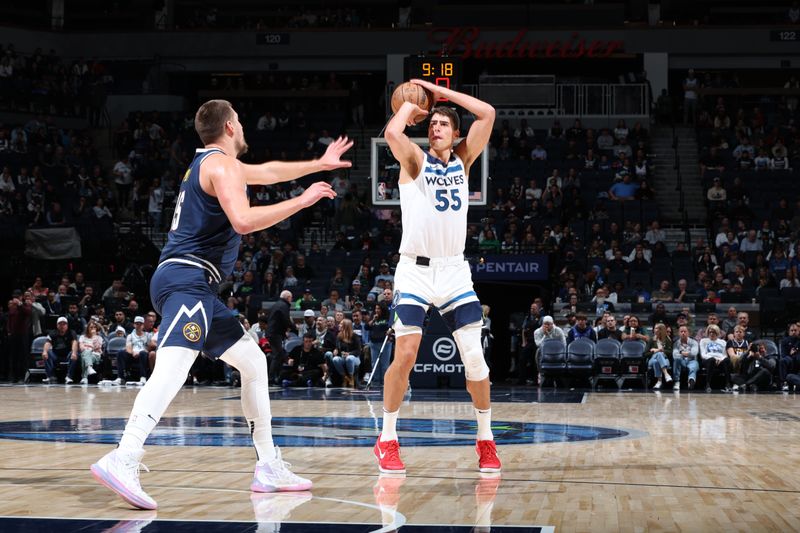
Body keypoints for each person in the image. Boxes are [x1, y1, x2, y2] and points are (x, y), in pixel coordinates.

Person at [90, 99, 352, 509]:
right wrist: (302, 202)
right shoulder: (220, 165)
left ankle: (268, 464)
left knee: (254, 362)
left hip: (194, 283)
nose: (243, 127)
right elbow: (244, 221)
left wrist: (319, 163)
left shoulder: (212, 163)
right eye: (241, 121)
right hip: (187, 278)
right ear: (230, 126)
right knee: (175, 366)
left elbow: (267, 172)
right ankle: (124, 456)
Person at [375, 79, 501, 475]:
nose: (436, 128)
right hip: (414, 270)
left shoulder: (464, 161)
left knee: (475, 359)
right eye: (433, 124)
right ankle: (388, 439)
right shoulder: (414, 159)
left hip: (453, 271)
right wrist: (410, 108)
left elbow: (488, 114)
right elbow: (393, 133)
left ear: (456, 133)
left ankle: (485, 440)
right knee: (407, 354)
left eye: (443, 124)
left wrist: (439, 93)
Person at [42, 316, 79, 384]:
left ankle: (69, 377)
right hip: (56, 355)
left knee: (74, 353)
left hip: (67, 354)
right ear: (57, 325)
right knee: (47, 352)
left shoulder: (71, 332)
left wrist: (74, 352)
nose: (62, 326)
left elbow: (74, 342)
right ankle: (50, 376)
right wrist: (44, 351)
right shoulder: (52, 333)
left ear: (67, 325)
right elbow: (47, 343)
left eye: (64, 324)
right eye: (60, 324)